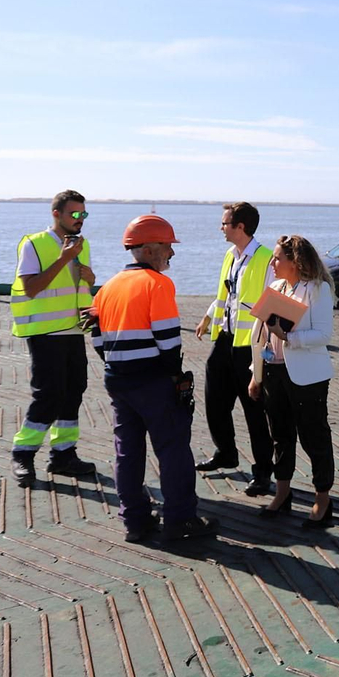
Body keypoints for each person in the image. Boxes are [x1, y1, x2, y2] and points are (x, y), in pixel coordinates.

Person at [89, 214, 216, 544]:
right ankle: (180, 520)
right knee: (173, 450)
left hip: (117, 379)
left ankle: (135, 521)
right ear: (147, 249)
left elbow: (97, 338)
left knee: (127, 453)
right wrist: (175, 375)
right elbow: (169, 340)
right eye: (167, 247)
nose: (171, 254)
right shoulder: (158, 284)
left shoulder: (108, 287)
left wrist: (118, 364)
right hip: (153, 381)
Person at [8, 190, 98, 486]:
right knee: (49, 394)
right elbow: (31, 288)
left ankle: (63, 455)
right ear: (56, 214)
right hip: (45, 332)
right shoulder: (34, 244)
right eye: (75, 214)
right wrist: (64, 259)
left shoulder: (81, 246)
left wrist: (89, 278)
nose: (80, 219)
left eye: (83, 214)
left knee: (74, 391)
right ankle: (23, 453)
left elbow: (77, 287)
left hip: (74, 330)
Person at [248, 235, 337, 529]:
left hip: (307, 376)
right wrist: (255, 373)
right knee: (280, 436)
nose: (272, 263)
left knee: (314, 437)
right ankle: (282, 494)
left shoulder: (317, 289)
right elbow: (260, 334)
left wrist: (288, 336)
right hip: (273, 371)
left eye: (277, 259)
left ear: (295, 262)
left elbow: (323, 335)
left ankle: (322, 499)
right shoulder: (275, 287)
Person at [193, 202, 276, 495]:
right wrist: (207, 315)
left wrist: (266, 352)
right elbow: (226, 296)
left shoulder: (267, 259)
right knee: (214, 400)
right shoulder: (231, 255)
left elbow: (272, 306)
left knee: (254, 410)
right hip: (225, 339)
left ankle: (264, 472)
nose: (221, 228)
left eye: (225, 223)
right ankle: (226, 452)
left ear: (241, 227)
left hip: (249, 347)